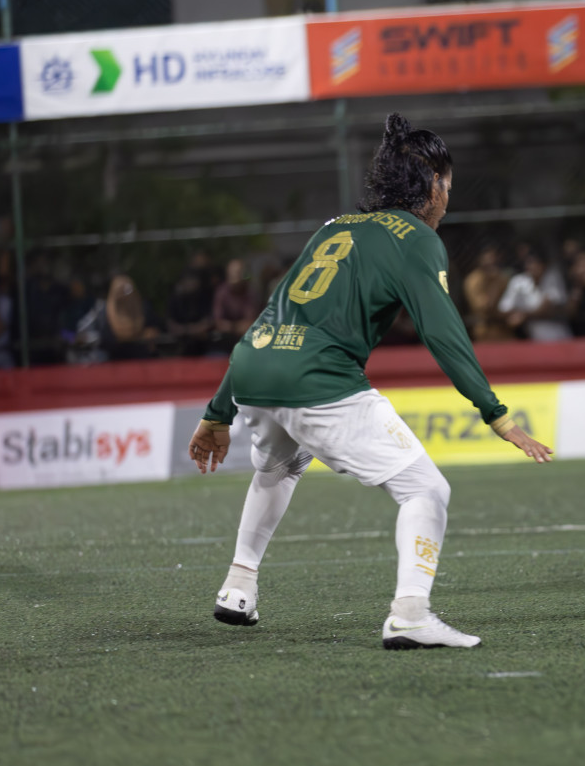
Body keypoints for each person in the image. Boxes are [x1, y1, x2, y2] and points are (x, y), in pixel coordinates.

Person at [186, 113, 553, 650]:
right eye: (447, 185)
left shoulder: (335, 227)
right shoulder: (418, 240)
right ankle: (410, 614)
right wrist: (495, 413)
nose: (448, 198)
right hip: (318, 378)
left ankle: (238, 586)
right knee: (426, 489)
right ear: (431, 185)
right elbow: (444, 334)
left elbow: (272, 315)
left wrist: (218, 411)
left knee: (279, 467)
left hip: (256, 365)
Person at [498, 250, 571, 341]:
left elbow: (544, 309)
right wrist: (518, 315)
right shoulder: (519, 281)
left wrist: (523, 315)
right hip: (532, 340)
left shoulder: (552, 277)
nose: (533, 267)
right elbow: (503, 310)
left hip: (558, 337)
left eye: (536, 263)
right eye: (530, 263)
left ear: (544, 265)